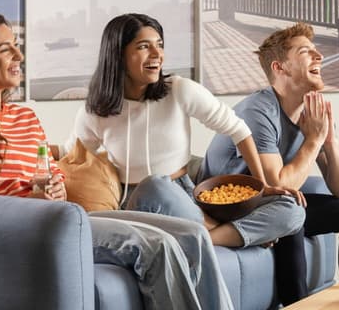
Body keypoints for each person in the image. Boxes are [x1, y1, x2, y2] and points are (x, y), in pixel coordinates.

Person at [0, 12, 232, 310]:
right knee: (155, 246)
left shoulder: (25, 118)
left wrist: (53, 188)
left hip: (56, 217)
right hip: (16, 229)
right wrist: (10, 206)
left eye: (16, 46)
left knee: (191, 233)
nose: (19, 55)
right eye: (6, 49)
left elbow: (43, 176)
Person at [59, 13, 306, 251]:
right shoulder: (97, 110)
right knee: (155, 184)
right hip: (137, 201)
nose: (157, 54)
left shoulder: (178, 90)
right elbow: (72, 156)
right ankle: (228, 233)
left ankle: (208, 236)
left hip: (185, 192)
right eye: (144, 46)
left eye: (160, 45)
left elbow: (238, 129)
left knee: (291, 209)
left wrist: (262, 184)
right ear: (118, 54)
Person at [200, 22, 339, 292]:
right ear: (279, 68)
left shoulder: (311, 111)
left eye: (316, 51)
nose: (319, 56)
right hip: (227, 207)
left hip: (268, 202)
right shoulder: (258, 111)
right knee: (291, 209)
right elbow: (277, 184)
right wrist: (314, 140)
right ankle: (297, 304)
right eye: (306, 52)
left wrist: (329, 140)